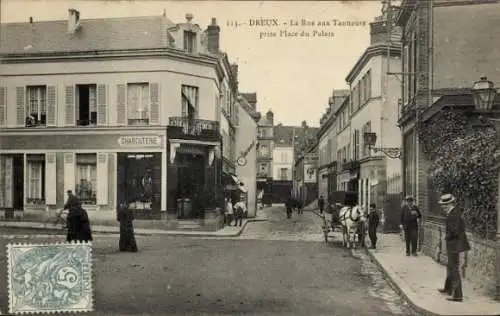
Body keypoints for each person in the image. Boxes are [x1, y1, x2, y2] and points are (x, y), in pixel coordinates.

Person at [437, 194, 470, 302]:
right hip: (453, 244)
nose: (443, 207)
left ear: (450, 203)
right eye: (443, 205)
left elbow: (454, 231)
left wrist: (446, 237)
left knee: (454, 268)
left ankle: (458, 296)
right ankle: (448, 289)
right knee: (450, 266)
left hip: (455, 245)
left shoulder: (453, 214)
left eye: (445, 205)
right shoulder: (453, 212)